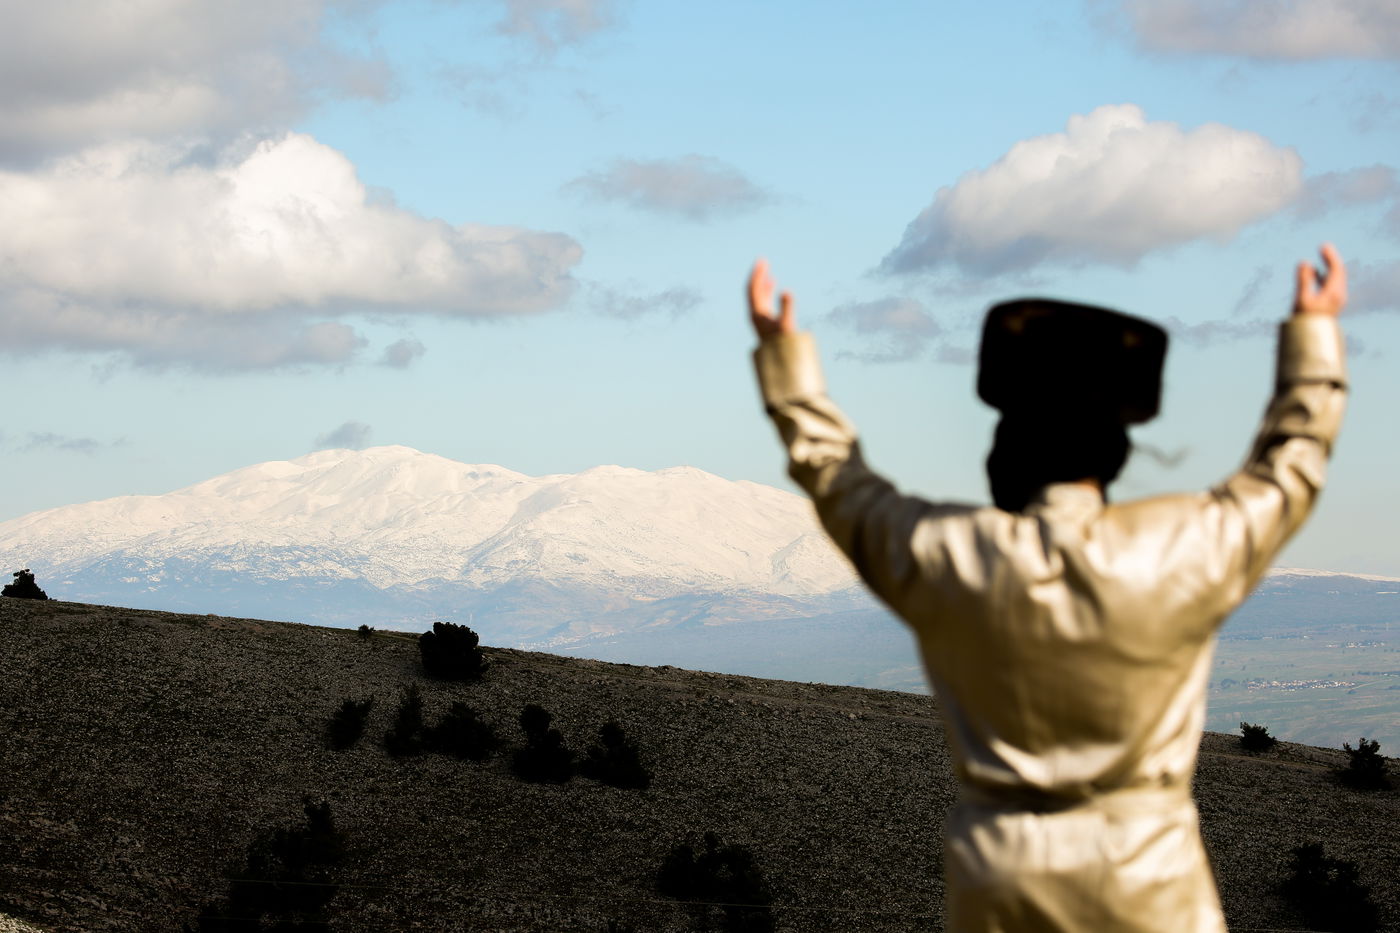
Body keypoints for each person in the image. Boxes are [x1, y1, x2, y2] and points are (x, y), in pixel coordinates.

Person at [747, 246, 1348, 932]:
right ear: (1115, 454)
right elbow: (1289, 469)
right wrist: (1314, 337)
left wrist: (788, 366)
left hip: (998, 879)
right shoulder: (1184, 547)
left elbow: (838, 480)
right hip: (1148, 876)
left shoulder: (948, 552)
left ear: (1003, 452)